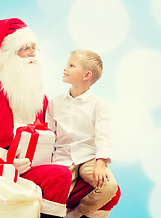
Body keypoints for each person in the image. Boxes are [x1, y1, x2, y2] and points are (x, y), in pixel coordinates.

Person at [0, 18, 72, 218]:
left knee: (94, 187)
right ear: (7, 56)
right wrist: (2, 163)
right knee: (60, 176)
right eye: (25, 48)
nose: (33, 53)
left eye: (34, 48)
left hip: (37, 168)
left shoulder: (39, 98)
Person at [46, 50, 118, 218]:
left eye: (71, 66)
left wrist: (101, 163)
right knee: (55, 192)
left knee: (109, 187)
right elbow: (48, 135)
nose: (65, 69)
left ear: (86, 75)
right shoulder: (55, 103)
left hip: (89, 157)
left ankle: (76, 213)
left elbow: (104, 136)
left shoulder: (99, 105)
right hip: (62, 157)